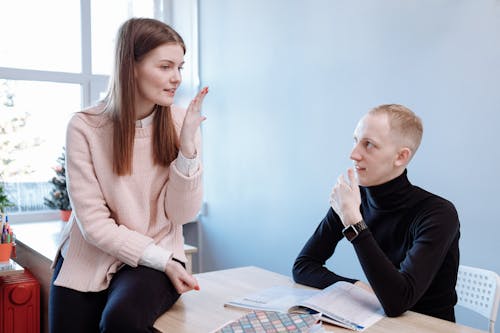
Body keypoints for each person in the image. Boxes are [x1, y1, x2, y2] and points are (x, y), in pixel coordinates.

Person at [49, 18, 208, 333]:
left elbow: (182, 213)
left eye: (180, 67)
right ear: (130, 67)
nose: (176, 78)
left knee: (121, 321)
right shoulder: (84, 126)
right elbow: (93, 224)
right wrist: (163, 260)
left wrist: (187, 149)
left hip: (156, 253)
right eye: (165, 66)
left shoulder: (181, 123)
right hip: (89, 257)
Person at [292, 104, 460, 322]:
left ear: (401, 157)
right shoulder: (353, 198)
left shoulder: (438, 214)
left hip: (427, 326)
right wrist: (355, 286)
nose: (354, 154)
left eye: (368, 144)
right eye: (355, 141)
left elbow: (398, 302)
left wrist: (353, 222)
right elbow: (303, 265)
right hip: (377, 322)